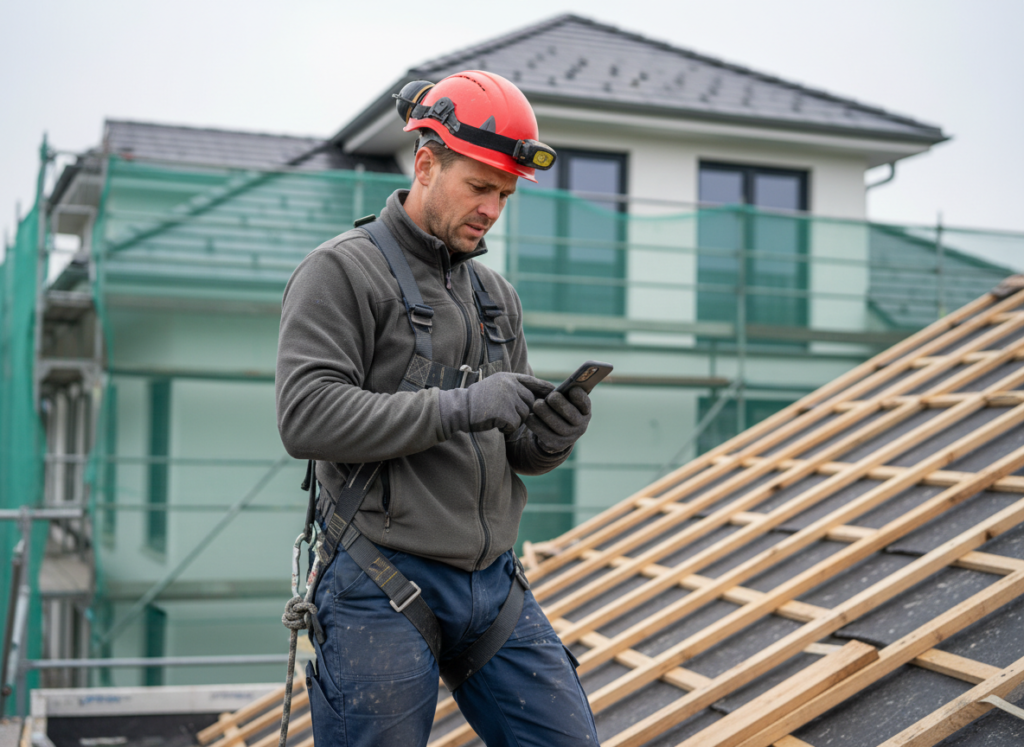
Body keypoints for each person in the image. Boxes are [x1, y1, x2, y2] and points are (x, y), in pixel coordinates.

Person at [275, 70, 601, 747]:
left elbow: (515, 446)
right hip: (381, 583)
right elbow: (307, 417)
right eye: (479, 187)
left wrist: (551, 440)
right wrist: (462, 404)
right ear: (426, 163)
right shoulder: (342, 273)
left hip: (493, 586)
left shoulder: (496, 297)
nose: (491, 209)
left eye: (505, 196)